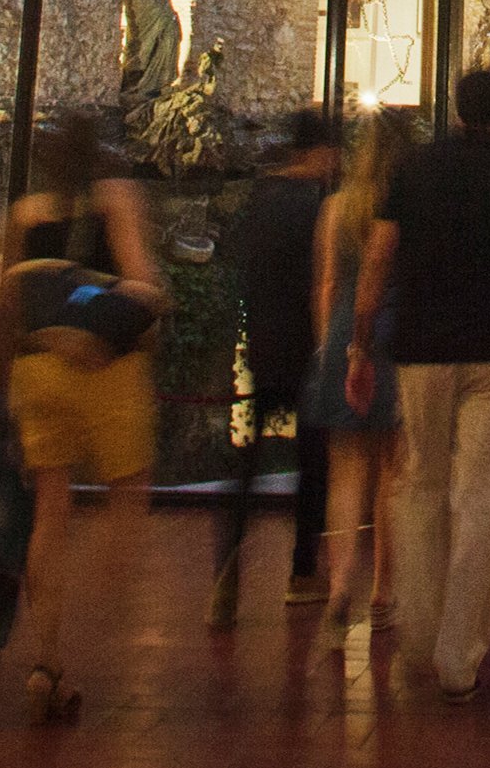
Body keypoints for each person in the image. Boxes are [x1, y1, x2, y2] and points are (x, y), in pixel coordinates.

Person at [351, 64, 490, 700]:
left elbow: (378, 259)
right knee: (480, 500)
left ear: (458, 108)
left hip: (421, 349)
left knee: (421, 487)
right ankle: (458, 654)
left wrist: (360, 344)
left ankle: (418, 630)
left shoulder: (414, 169)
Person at [0, 112, 165, 723]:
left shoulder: (23, 213)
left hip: (36, 369)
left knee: (50, 508)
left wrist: (6, 390)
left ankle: (47, 657)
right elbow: (141, 282)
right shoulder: (115, 196)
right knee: (129, 492)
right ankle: (99, 615)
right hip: (105, 368)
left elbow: (8, 304)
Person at [211, 106, 338, 625]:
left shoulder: (260, 200)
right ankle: (302, 571)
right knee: (313, 464)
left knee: (247, 462)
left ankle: (226, 566)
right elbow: (322, 280)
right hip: (307, 346)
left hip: (265, 344)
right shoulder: (319, 206)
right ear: (321, 152)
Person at [305, 113, 408, 644]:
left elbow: (326, 283)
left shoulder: (336, 208)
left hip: (345, 331)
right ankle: (383, 590)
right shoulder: (405, 210)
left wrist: (331, 347)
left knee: (345, 472)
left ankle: (342, 578)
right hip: (391, 334)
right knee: (391, 470)